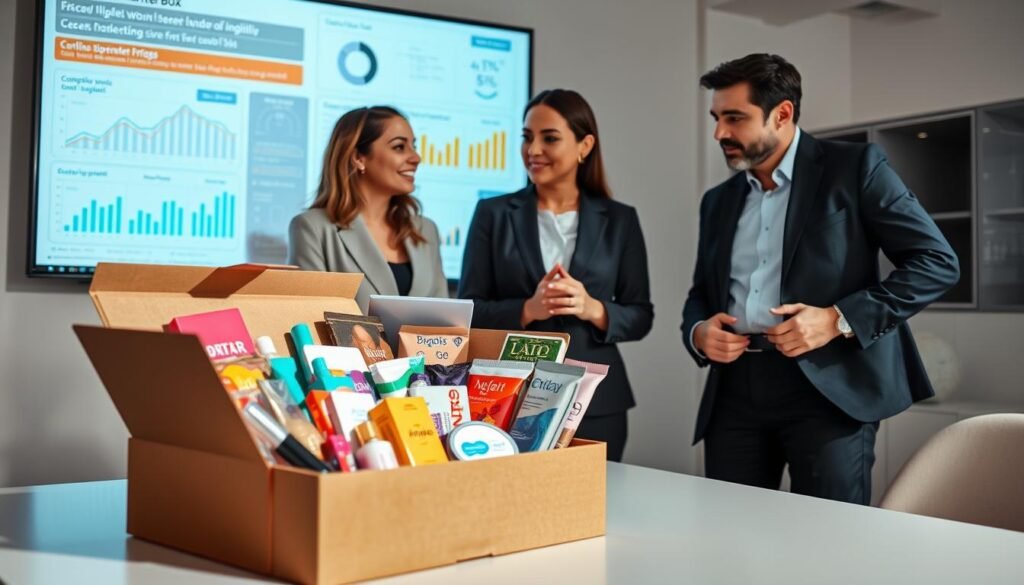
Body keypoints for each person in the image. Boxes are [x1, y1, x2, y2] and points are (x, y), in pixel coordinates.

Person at [681, 54, 959, 504]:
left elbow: (936, 260)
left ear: (783, 113)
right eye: (716, 118)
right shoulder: (718, 201)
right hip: (734, 391)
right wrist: (698, 332)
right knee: (729, 540)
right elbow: (701, 293)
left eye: (735, 118)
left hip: (831, 387)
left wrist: (838, 319)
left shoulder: (856, 168)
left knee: (832, 545)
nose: (719, 133)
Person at [459, 89, 653, 462]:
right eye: (527, 137)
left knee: (599, 508)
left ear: (585, 146)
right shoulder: (493, 214)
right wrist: (527, 309)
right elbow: (471, 309)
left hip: (596, 401)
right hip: (507, 397)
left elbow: (641, 315)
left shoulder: (620, 220)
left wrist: (593, 308)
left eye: (549, 138)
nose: (533, 149)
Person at [290, 106, 448, 312]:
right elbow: (312, 316)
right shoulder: (313, 228)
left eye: (413, 146)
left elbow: (446, 319)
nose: (416, 158)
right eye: (399, 147)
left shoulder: (426, 230)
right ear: (358, 157)